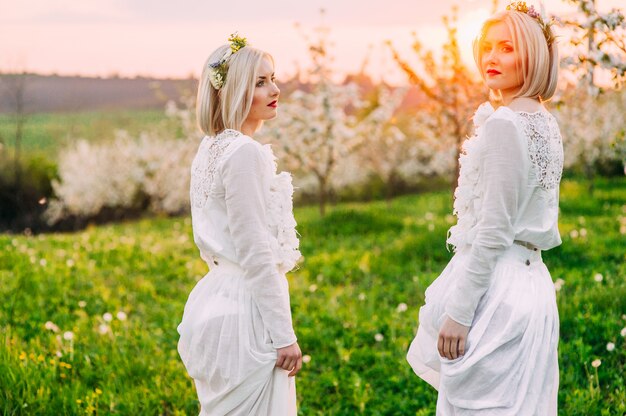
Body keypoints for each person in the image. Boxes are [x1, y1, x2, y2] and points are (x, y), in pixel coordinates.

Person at [406, 2, 563, 414]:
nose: (492, 58)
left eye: (507, 47)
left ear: (533, 55)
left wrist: (459, 312)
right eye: (488, 46)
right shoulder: (545, 122)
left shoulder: (505, 123)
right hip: (534, 286)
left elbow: (494, 229)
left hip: (498, 291)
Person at [177, 33, 302, 415]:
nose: (274, 89)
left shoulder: (210, 148)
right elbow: (255, 251)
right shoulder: (244, 153)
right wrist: (284, 336)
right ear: (232, 91)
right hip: (246, 311)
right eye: (260, 83)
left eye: (273, 78)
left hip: (216, 297)